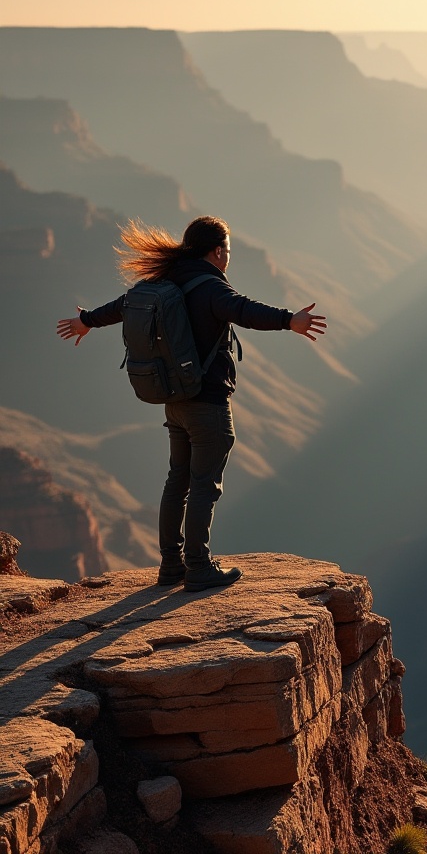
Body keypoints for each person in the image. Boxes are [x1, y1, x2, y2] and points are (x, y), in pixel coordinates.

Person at [56, 216, 326, 592]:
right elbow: (245, 310)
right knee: (204, 485)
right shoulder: (212, 288)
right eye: (228, 251)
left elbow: (124, 305)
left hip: (175, 399)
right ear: (217, 251)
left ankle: (171, 566)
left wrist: (86, 320)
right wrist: (289, 320)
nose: (228, 258)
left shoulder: (165, 280)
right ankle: (198, 566)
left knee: (177, 480)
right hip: (207, 404)